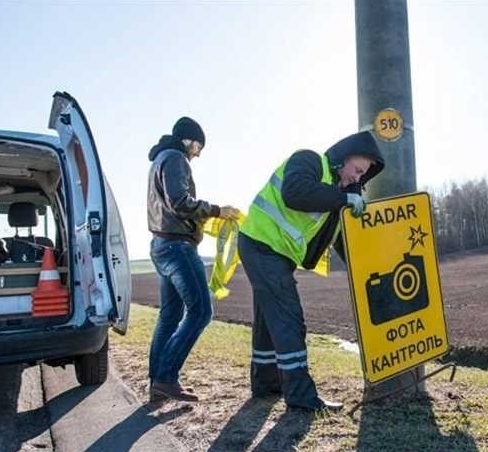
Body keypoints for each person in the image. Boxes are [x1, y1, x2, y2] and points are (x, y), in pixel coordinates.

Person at [238, 130, 384, 411]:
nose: (358, 178)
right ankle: (302, 397)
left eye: (363, 175)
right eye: (357, 170)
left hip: (269, 249)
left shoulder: (335, 192)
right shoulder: (310, 160)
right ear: (342, 157)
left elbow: (339, 240)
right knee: (290, 319)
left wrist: (366, 266)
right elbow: (294, 193)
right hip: (262, 244)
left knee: (270, 321)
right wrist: (343, 199)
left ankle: (266, 383)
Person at [147, 116, 239, 401]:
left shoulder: (158, 160)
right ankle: (165, 378)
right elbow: (180, 202)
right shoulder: (176, 158)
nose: (198, 154)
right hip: (178, 248)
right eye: (199, 147)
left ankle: (157, 382)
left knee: (170, 315)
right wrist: (216, 210)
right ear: (190, 140)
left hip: (161, 245)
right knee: (201, 311)